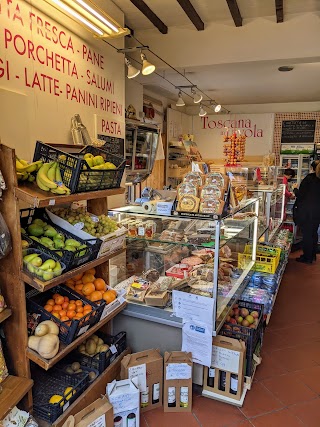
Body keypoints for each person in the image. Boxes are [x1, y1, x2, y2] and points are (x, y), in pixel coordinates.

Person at [293, 160, 320, 264]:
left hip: (307, 211)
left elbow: (300, 195)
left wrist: (295, 189)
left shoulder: (309, 179)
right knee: (313, 233)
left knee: (307, 235)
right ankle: (312, 255)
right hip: (317, 212)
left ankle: (307, 257)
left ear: (313, 168)